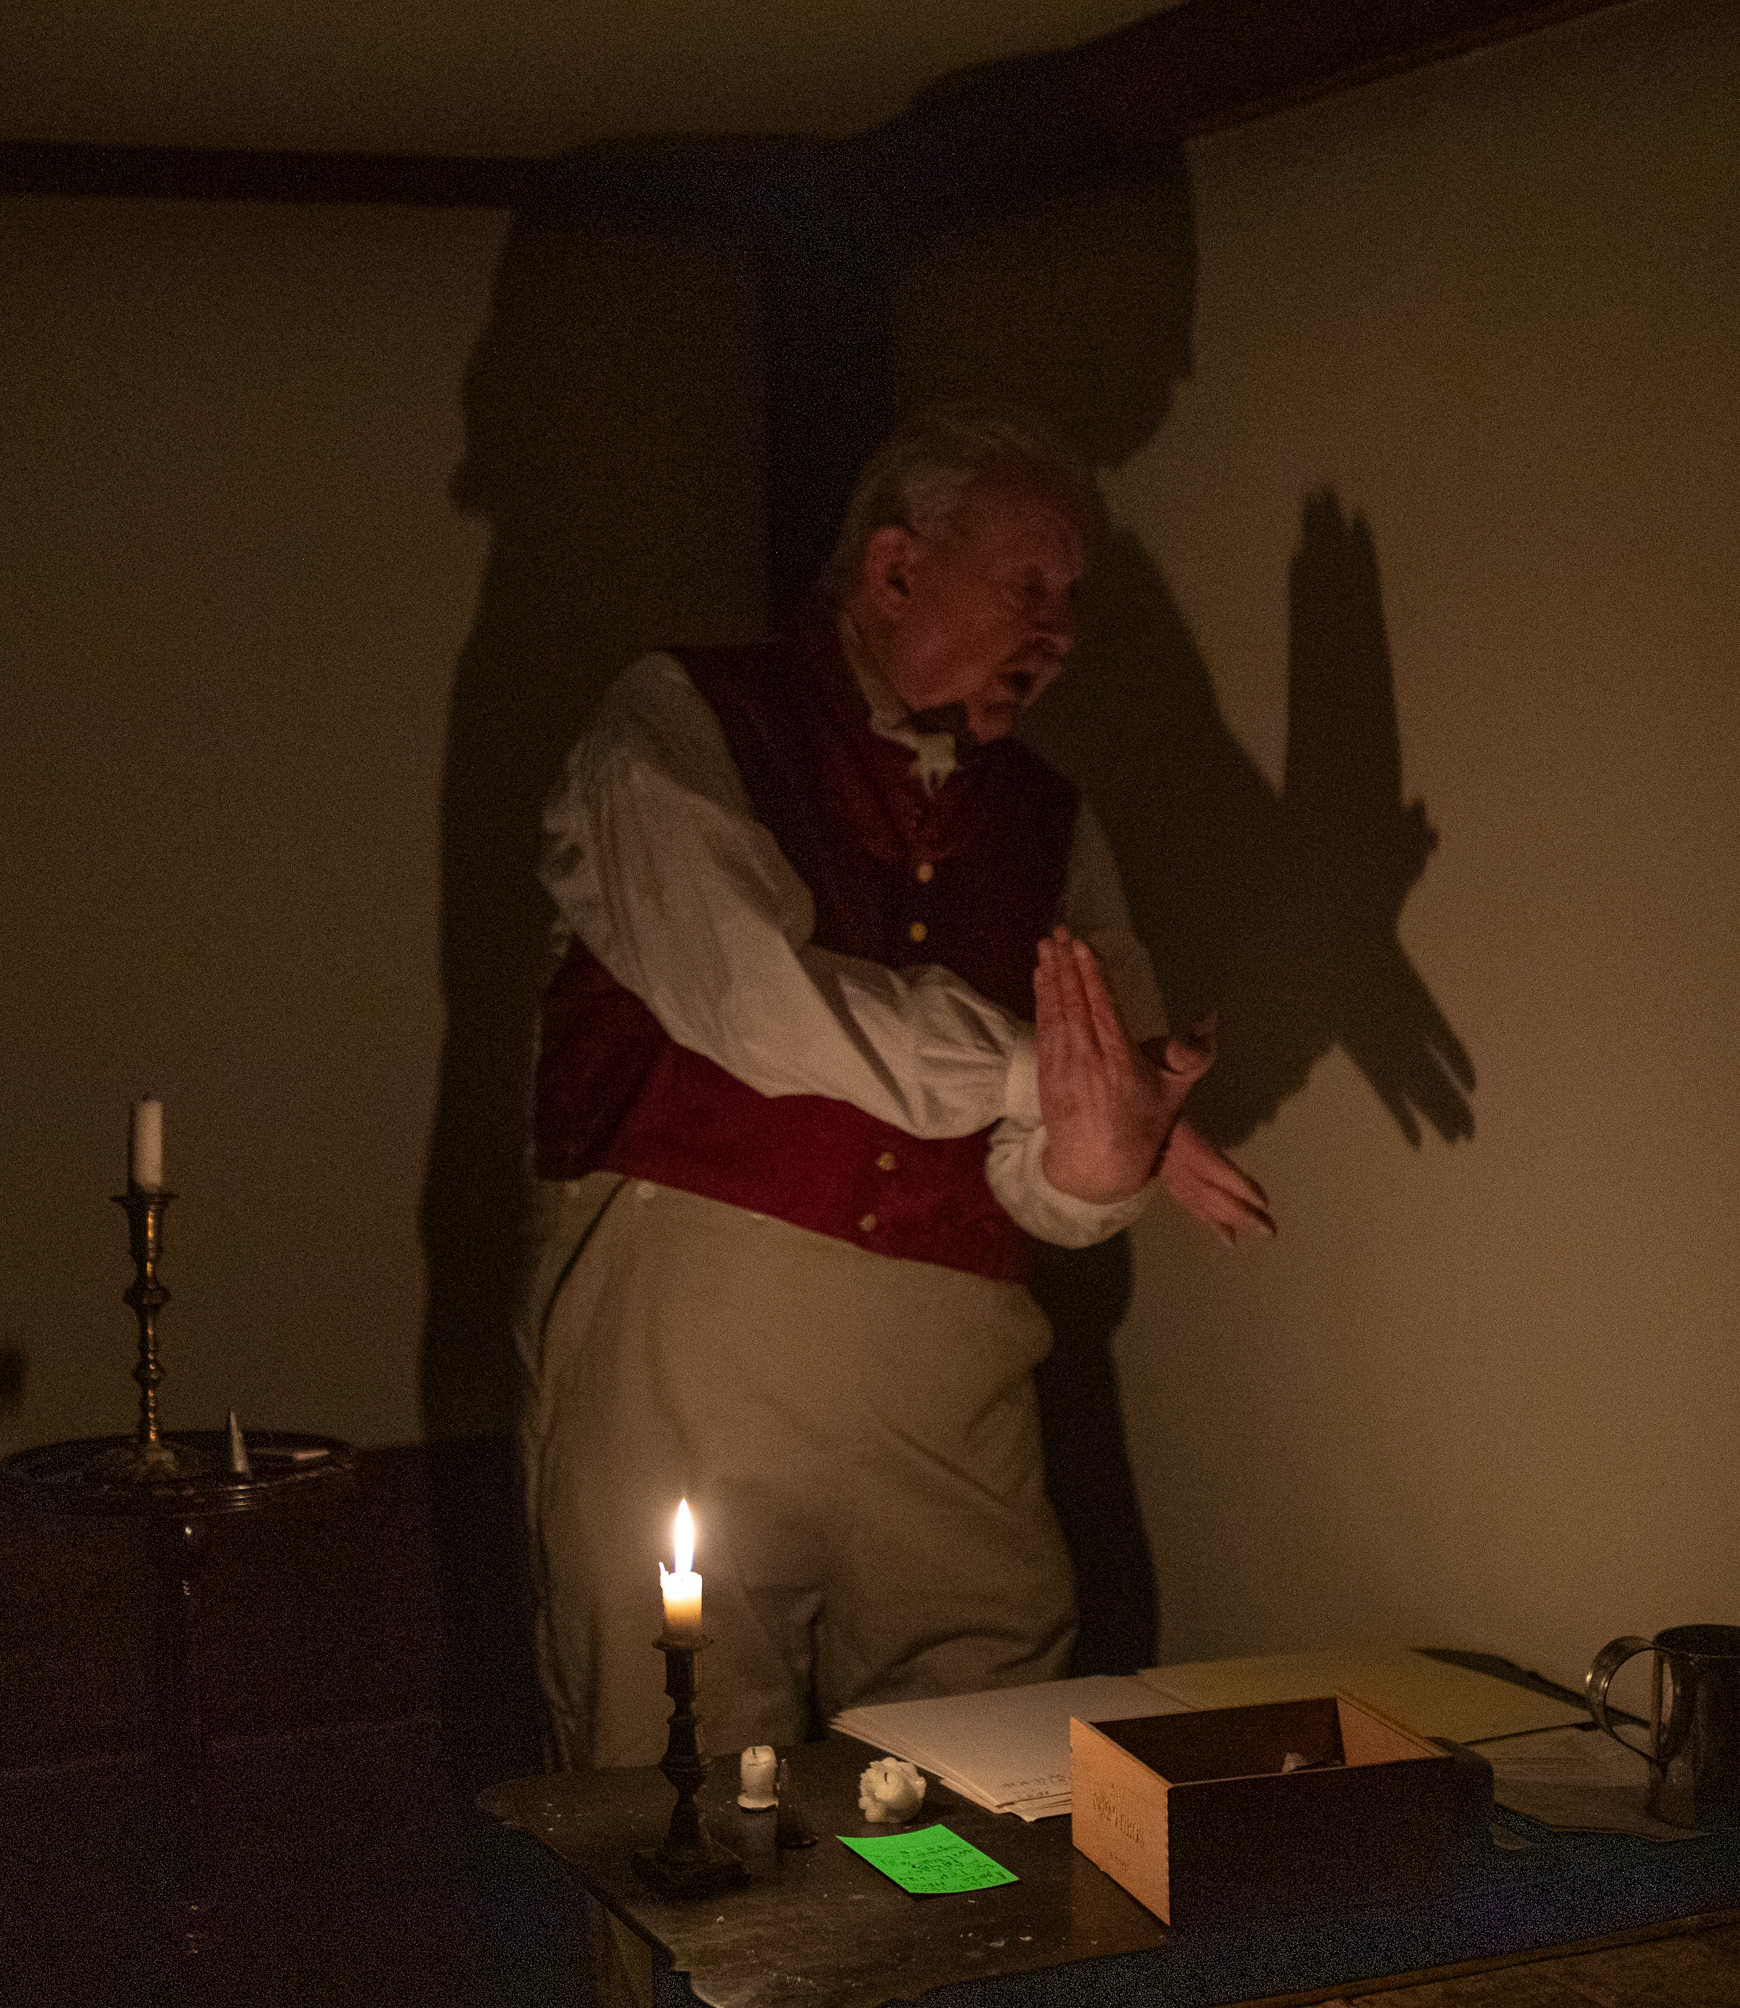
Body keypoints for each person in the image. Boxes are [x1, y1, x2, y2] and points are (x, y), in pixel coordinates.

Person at [515, 401, 1274, 1783]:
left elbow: (1069, 1164)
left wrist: (1107, 1149)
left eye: (1074, 601)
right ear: (897, 569)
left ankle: (944, 1932)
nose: (1061, 632)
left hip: (950, 1367)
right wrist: (1043, 1072)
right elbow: (751, 994)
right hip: (693, 1349)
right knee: (679, 1749)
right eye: (1031, 587)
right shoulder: (681, 718)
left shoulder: (1050, 820)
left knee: (982, 1755)